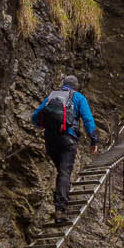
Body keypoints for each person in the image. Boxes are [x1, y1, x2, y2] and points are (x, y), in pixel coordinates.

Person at [30, 74, 99, 223]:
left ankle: (60, 203)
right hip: (68, 138)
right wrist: (94, 140)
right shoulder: (78, 97)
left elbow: (35, 116)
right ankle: (60, 210)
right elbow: (87, 119)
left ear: (63, 84)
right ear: (76, 86)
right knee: (64, 172)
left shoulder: (52, 95)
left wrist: (45, 126)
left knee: (61, 172)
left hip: (50, 140)